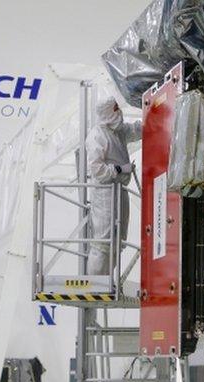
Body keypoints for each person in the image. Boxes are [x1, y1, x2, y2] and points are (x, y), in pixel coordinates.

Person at [85, 97, 142, 275]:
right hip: (105, 194)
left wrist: (155, 114)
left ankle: (108, 281)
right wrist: (119, 169)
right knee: (103, 242)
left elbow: (136, 130)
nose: (120, 113)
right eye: (116, 110)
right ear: (108, 113)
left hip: (119, 190)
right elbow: (97, 170)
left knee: (118, 241)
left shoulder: (117, 131)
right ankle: (94, 283)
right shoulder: (97, 135)